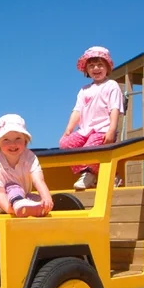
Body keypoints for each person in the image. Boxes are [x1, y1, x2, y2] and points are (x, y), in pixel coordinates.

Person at [59, 46, 124, 189]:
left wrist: (112, 130)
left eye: (100, 65)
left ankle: (89, 173)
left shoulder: (111, 86)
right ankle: (99, 174)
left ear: (107, 67)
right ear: (86, 70)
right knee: (65, 144)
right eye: (92, 65)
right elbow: (77, 111)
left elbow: (115, 109)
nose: (96, 68)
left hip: (103, 129)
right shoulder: (84, 90)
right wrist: (68, 129)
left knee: (90, 148)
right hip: (85, 130)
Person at [0, 114, 54, 217]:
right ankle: (14, 205)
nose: (12, 144)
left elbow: (38, 180)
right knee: (13, 187)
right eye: (6, 140)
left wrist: (46, 198)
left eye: (18, 138)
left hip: (16, 195)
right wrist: (10, 210)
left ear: (25, 141)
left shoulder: (30, 157)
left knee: (36, 199)